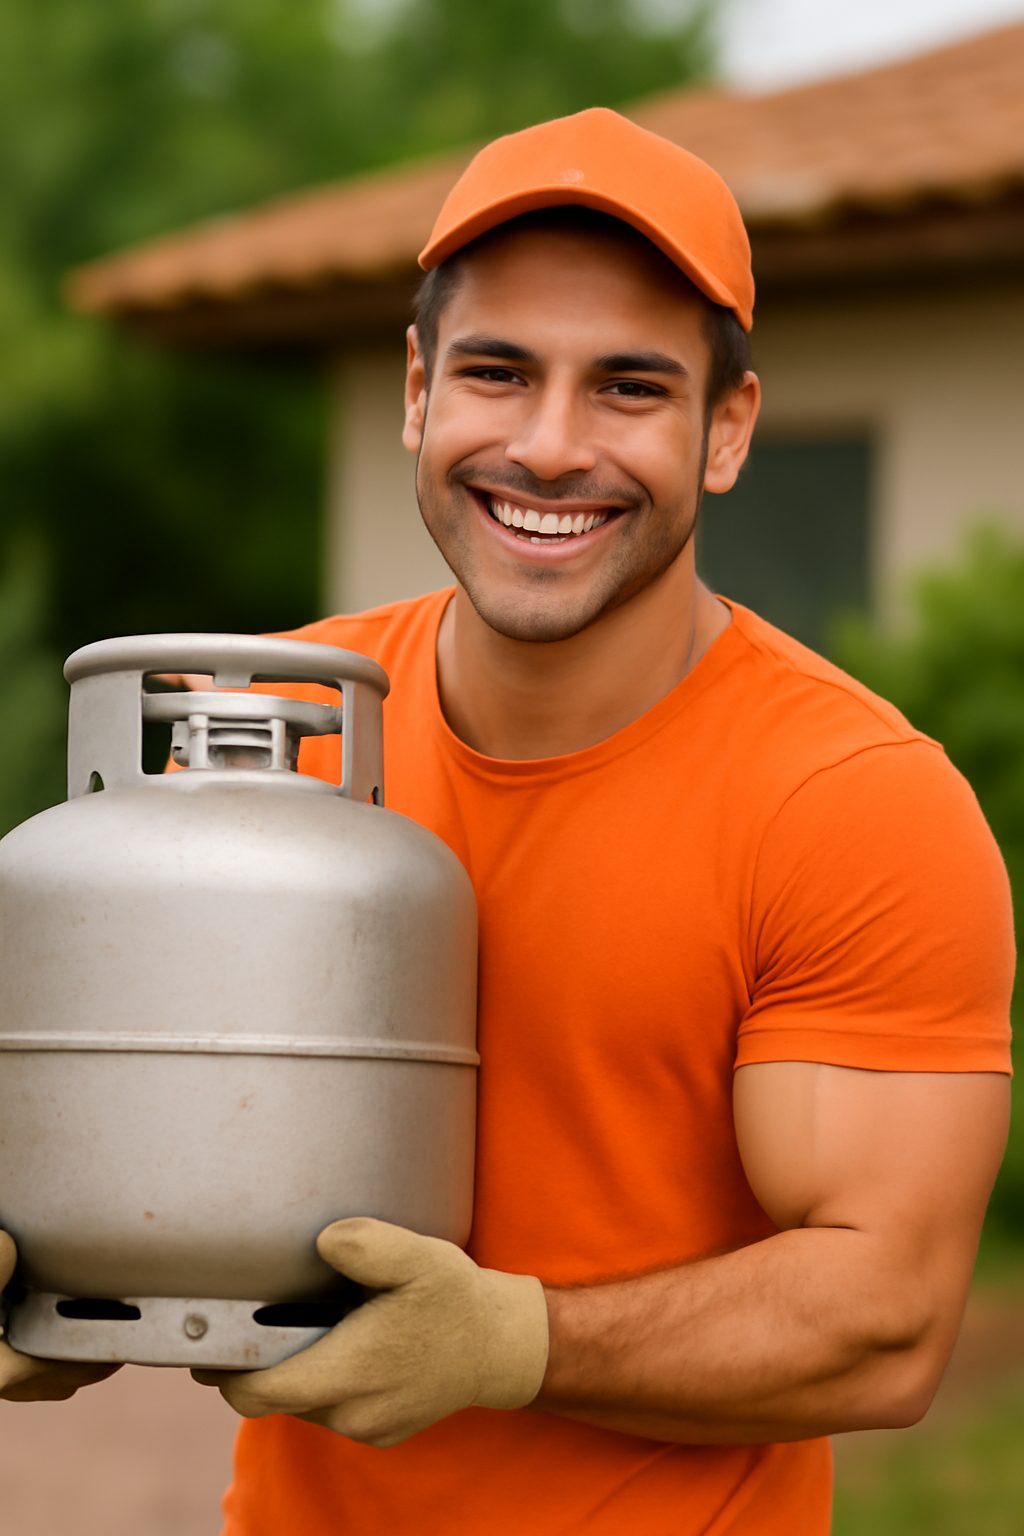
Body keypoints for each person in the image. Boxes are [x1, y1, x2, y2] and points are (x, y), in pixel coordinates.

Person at [1, 109, 1014, 1535]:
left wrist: (510, 1345)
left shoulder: (848, 805)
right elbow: (141, 1110)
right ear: (416, 392)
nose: (549, 447)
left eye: (628, 389)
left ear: (726, 432)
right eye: (497, 371)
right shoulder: (280, 745)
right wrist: (56, 1268)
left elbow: (885, 1316)